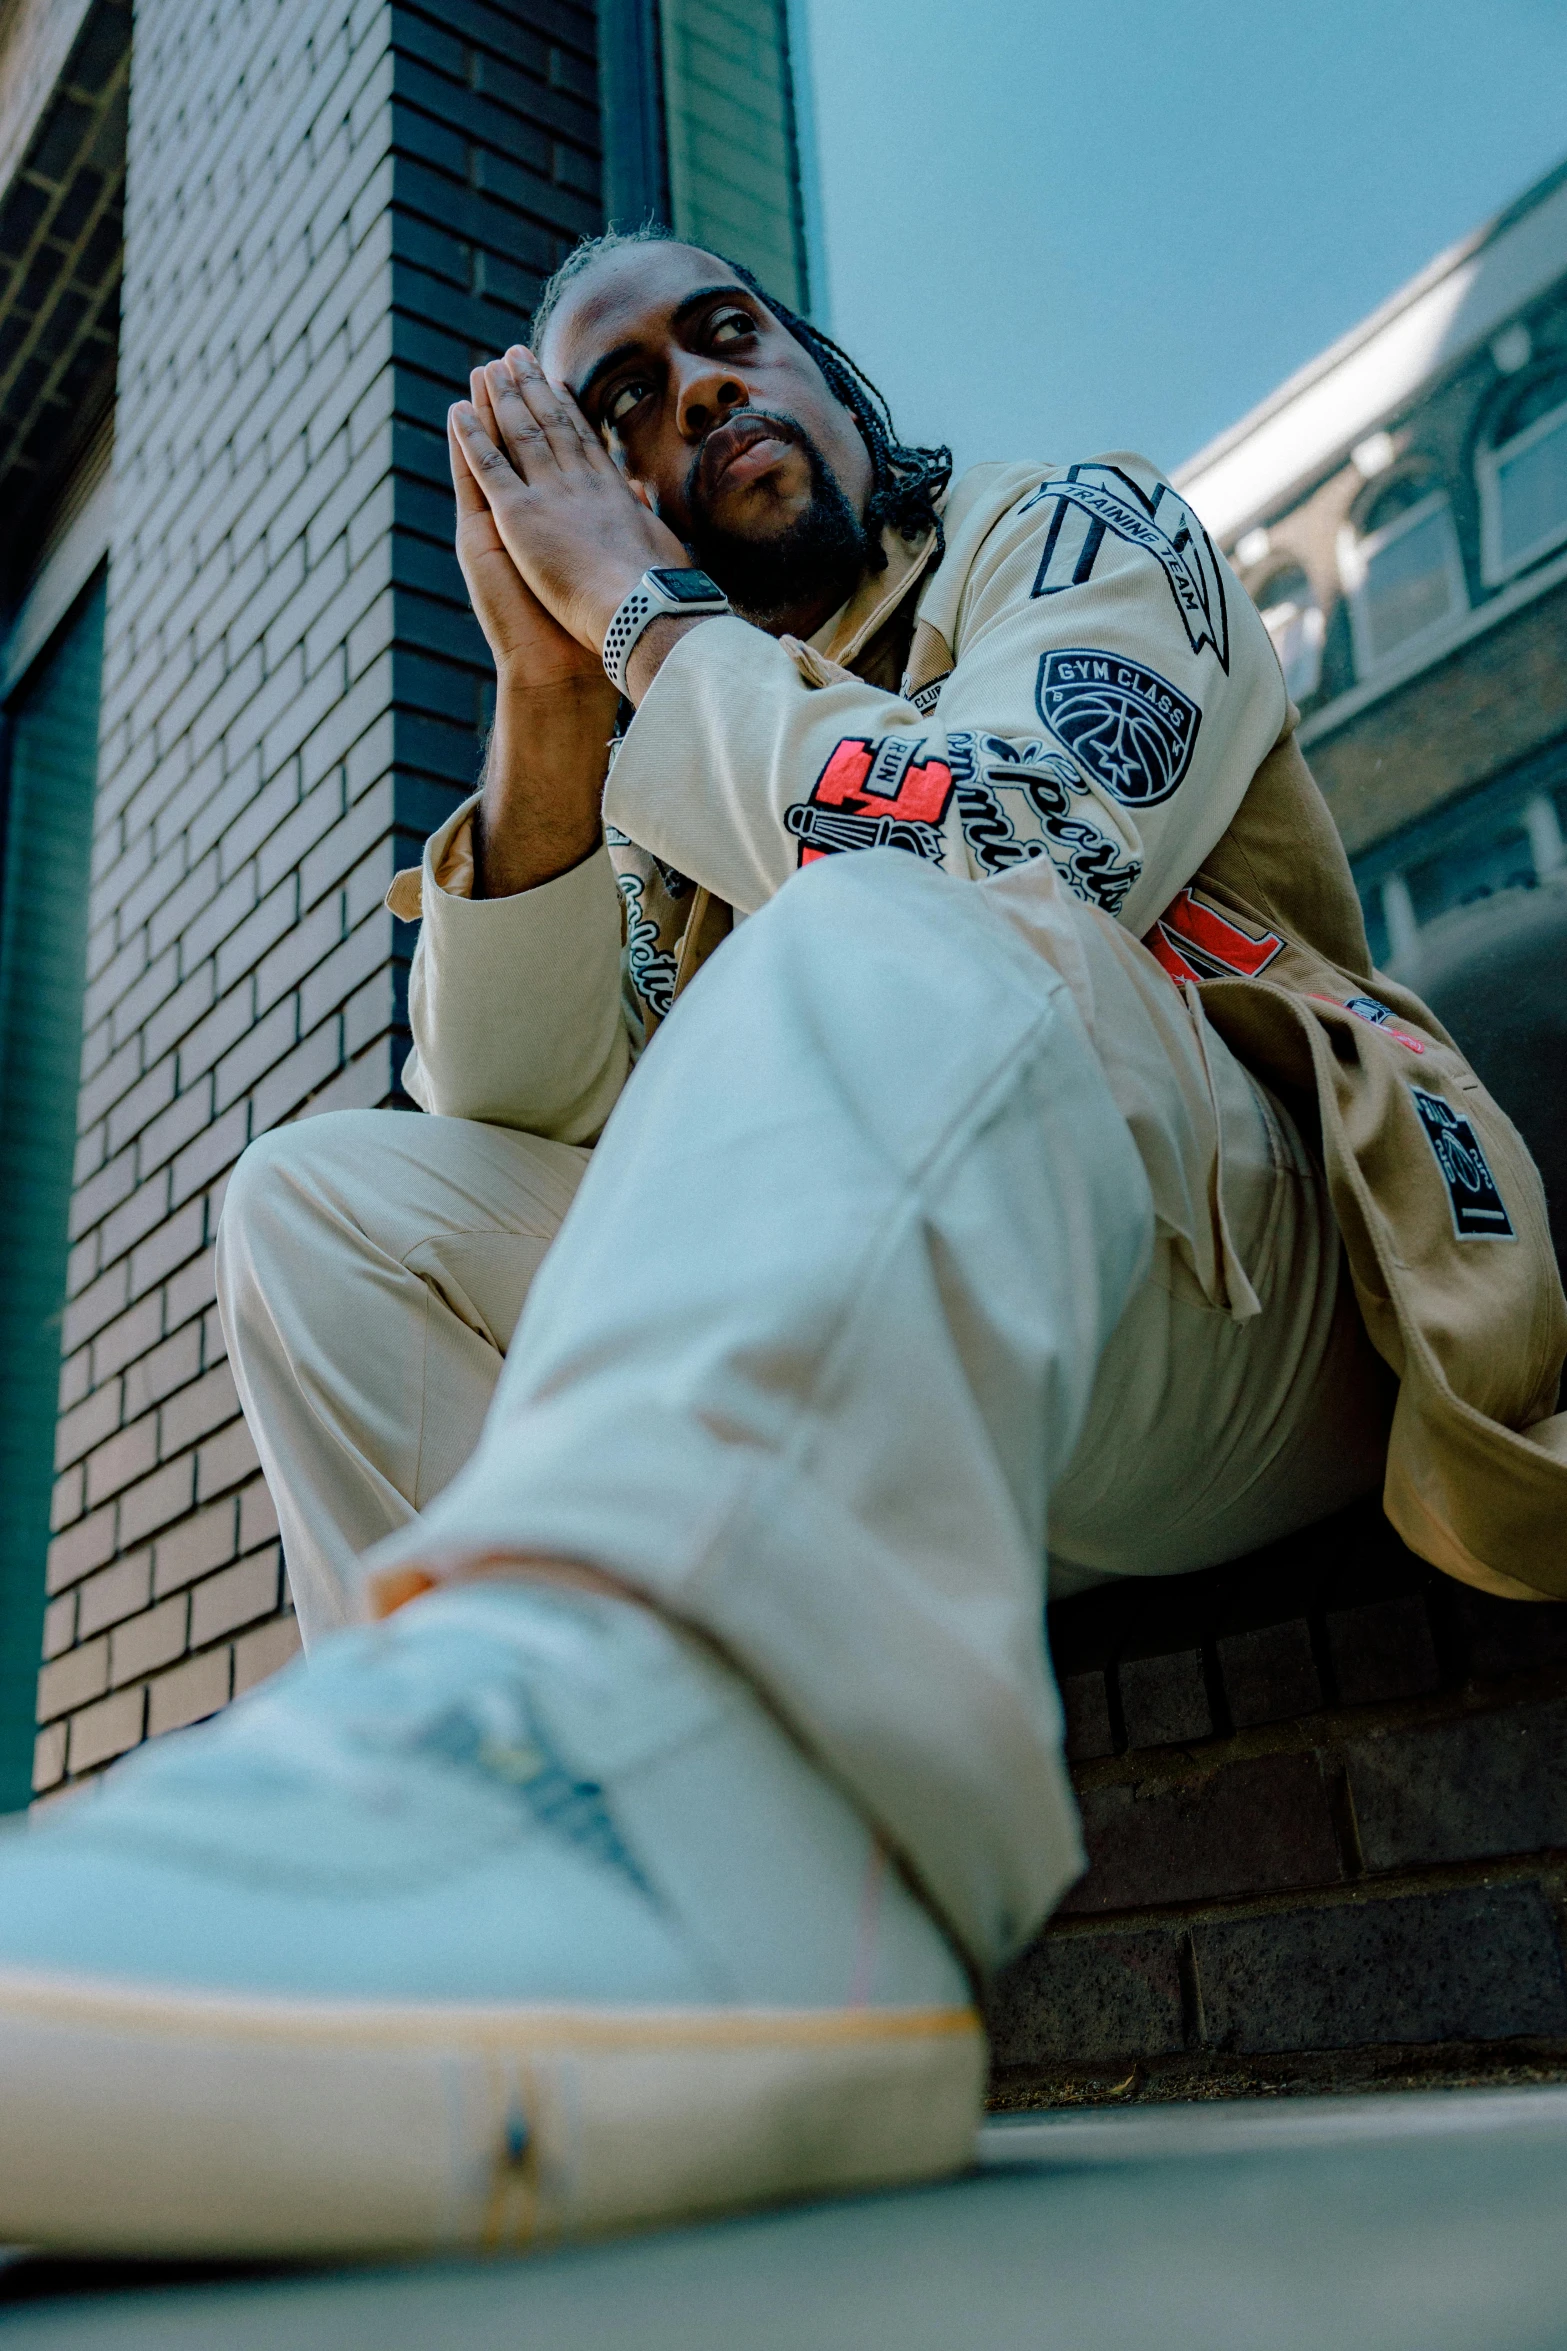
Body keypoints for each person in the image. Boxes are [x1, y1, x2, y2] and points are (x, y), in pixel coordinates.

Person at [1, 231, 1562, 2260]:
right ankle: (500, 1861)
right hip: (924, 1377)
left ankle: (662, 1838)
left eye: (724, 340)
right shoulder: (665, 738)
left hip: (1250, 1292)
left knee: (882, 897)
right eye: (625, 402)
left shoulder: (1073, 519)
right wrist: (550, 697)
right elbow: (498, 1126)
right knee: (321, 1201)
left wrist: (649, 623)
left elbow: (1020, 846)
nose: (696, 394)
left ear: (825, 372)